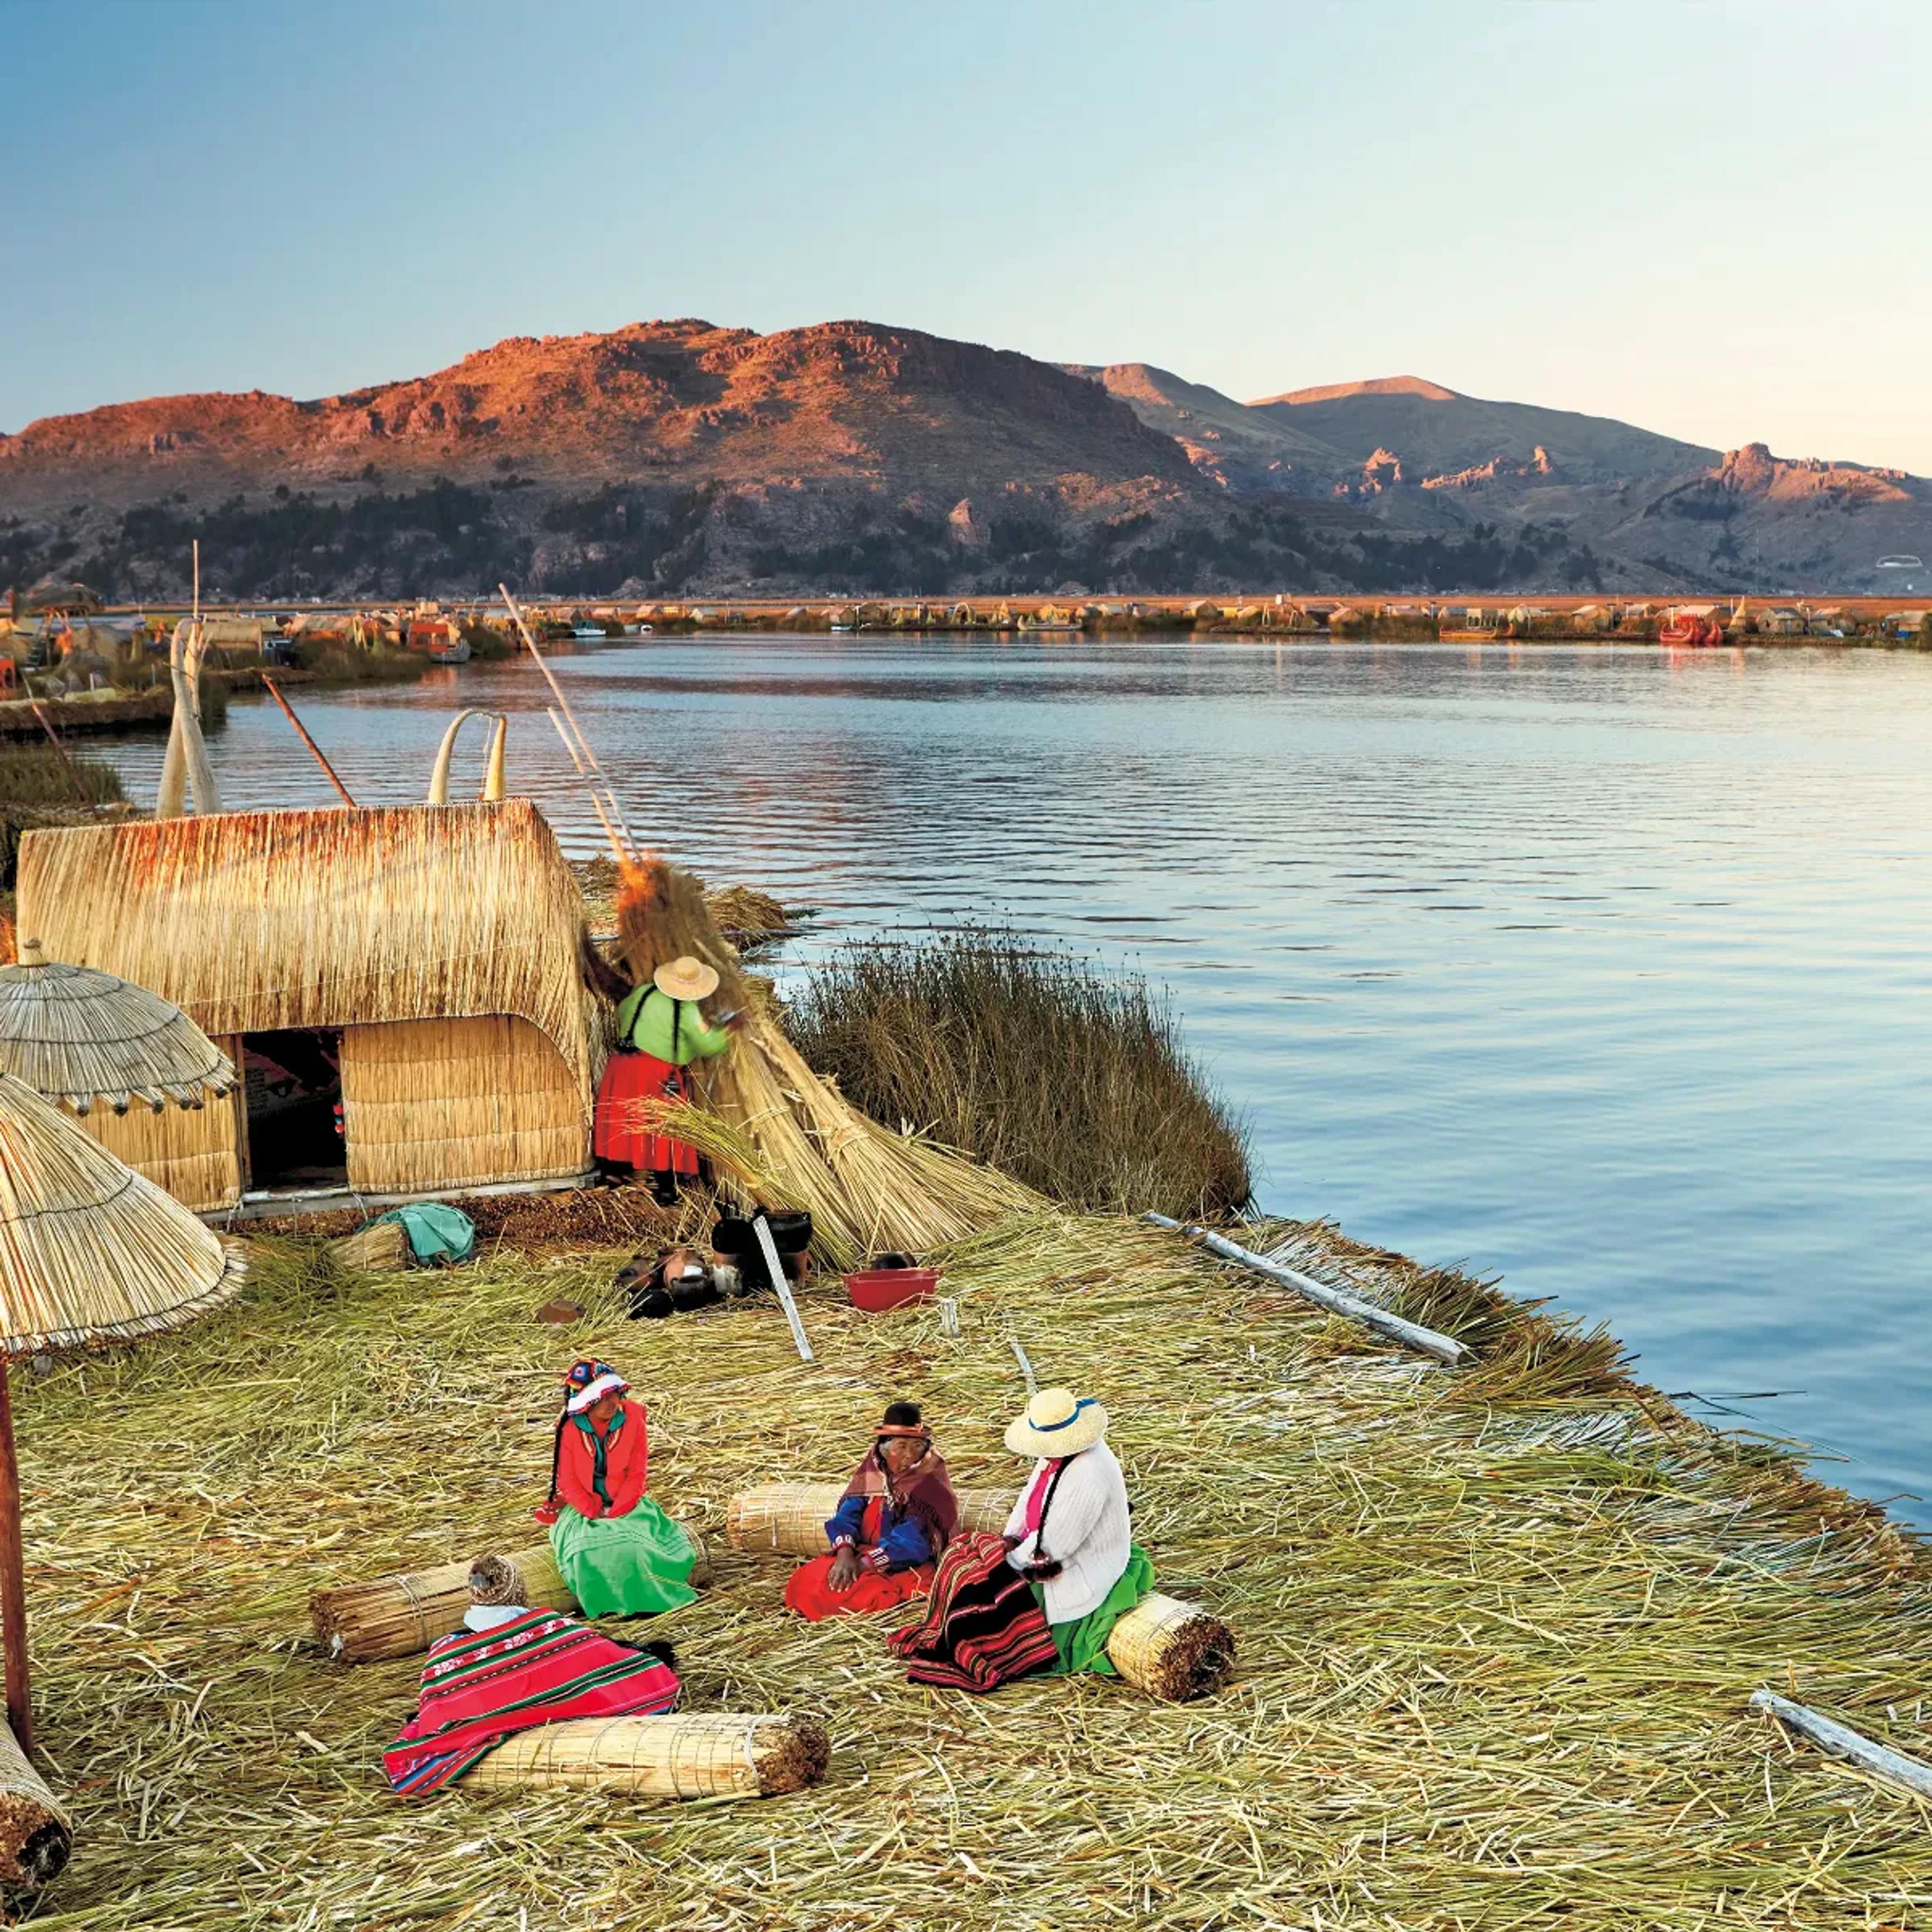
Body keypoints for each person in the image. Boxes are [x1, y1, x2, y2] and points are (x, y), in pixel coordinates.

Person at [889, 1387, 1150, 1692]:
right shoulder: (1056, 1453)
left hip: (1073, 1564)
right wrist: (1008, 1539)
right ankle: (944, 1628)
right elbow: (1028, 1501)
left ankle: (969, 1640)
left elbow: (1056, 1544)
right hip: (1036, 1549)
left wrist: (1004, 1564)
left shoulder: (1089, 1472)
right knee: (960, 1557)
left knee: (986, 1599)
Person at [383, 1554, 680, 1795]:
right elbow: (607, 1661)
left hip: (473, 1723)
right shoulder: (552, 1632)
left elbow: (436, 1708)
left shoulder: (445, 1652)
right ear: (519, 1592)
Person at [544, 1359, 700, 1618]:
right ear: (587, 1402)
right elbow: (568, 1482)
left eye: (615, 1393)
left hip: (626, 1503)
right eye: (603, 1397)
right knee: (584, 1550)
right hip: (581, 1507)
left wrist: (617, 1510)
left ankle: (649, 1604)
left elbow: (637, 1474)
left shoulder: (632, 1421)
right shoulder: (570, 1430)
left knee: (634, 1548)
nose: (612, 1403)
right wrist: (594, 1511)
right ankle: (606, 1609)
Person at [784, 1402, 959, 1622]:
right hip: (860, 1554)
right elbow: (847, 1515)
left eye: (916, 1447)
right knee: (806, 1580)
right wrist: (845, 1553)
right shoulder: (873, 1472)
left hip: (902, 1564)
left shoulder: (928, 1481)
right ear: (884, 1449)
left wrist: (865, 1563)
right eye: (901, 1446)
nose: (909, 1456)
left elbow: (915, 1539)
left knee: (865, 1595)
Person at [588, 951, 739, 1203]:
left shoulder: (643, 993)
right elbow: (710, 1045)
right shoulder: (687, 1010)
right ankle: (666, 1188)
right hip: (654, 1073)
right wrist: (730, 1028)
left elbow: (624, 1012)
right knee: (665, 1127)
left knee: (623, 1122)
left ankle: (615, 1177)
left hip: (621, 1066)